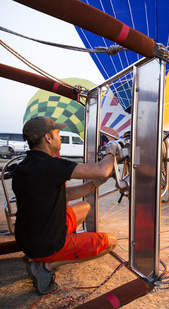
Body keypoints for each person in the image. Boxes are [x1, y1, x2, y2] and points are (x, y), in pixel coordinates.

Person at [13, 116, 119, 295]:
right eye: (57, 133)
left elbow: (65, 195)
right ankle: (47, 266)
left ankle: (45, 257)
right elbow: (102, 170)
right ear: (48, 138)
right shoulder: (51, 165)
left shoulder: (23, 167)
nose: (60, 137)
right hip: (47, 244)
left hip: (26, 238)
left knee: (83, 208)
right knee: (110, 242)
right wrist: (112, 151)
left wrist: (92, 185)